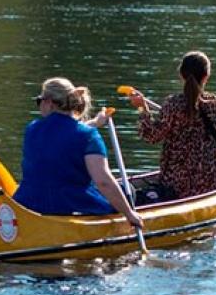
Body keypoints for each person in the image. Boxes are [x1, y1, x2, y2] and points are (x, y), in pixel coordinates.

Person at [14, 78, 144, 228]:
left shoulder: (31, 129)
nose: (39, 106)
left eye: (39, 101)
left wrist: (95, 123)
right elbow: (103, 181)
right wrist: (129, 214)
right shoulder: (88, 135)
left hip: (26, 204)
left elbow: (61, 135)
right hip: (69, 205)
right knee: (127, 191)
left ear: (49, 102)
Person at [127, 51, 216, 199]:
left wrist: (142, 108)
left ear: (181, 75)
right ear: (206, 76)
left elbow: (151, 136)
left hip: (176, 184)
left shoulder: (173, 104)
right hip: (211, 181)